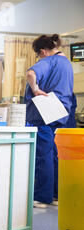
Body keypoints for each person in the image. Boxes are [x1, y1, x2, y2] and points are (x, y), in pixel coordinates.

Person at [25, 34, 74, 208]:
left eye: (38, 55)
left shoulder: (50, 60)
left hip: (45, 112)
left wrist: (36, 89)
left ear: (43, 52)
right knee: (53, 153)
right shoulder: (66, 63)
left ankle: (42, 197)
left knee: (43, 154)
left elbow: (31, 73)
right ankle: (55, 195)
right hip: (60, 112)